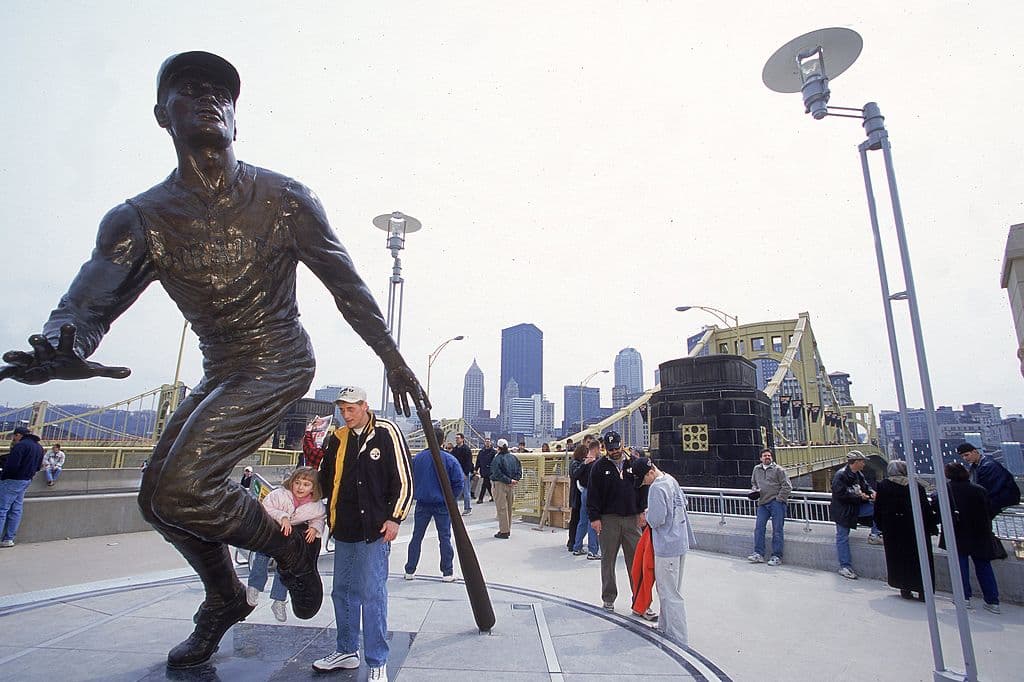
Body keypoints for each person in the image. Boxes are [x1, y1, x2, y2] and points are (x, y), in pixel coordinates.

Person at [0, 52, 426, 669]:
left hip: (279, 360)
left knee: (182, 488)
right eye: (190, 89)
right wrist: (61, 346)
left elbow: (348, 286)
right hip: (223, 367)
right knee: (158, 499)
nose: (209, 99)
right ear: (161, 115)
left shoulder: (284, 198)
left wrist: (394, 359)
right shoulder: (140, 219)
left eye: (222, 94)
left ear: (235, 118)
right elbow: (87, 304)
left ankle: (288, 550)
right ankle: (226, 595)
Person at [313, 387, 413, 680]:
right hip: (344, 526)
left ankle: (377, 660)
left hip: (375, 529)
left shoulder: (386, 432)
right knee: (342, 591)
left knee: (372, 594)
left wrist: (395, 518)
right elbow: (326, 479)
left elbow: (405, 479)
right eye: (342, 410)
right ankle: (346, 650)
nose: (346, 415)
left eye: (351, 409)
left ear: (365, 406)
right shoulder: (338, 437)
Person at [246, 467, 325, 622]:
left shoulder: (315, 505)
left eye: (306, 484)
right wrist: (282, 517)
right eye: (297, 483)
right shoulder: (280, 495)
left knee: (285, 568)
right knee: (261, 556)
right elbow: (266, 506)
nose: (300, 487)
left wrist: (315, 528)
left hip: (287, 538)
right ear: (291, 482)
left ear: (313, 488)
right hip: (271, 531)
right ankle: (254, 586)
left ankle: (279, 599)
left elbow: (319, 518)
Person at [633, 458, 694, 645]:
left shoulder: (657, 488)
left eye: (643, 479)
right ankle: (665, 626)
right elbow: (684, 502)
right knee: (670, 589)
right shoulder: (671, 480)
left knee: (669, 592)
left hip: (666, 545)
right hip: (680, 540)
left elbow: (656, 520)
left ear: (650, 472)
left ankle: (678, 636)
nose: (644, 484)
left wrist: (647, 512)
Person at [587, 430, 645, 612]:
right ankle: (608, 598)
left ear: (622, 444)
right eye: (610, 449)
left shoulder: (633, 463)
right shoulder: (598, 467)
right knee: (608, 560)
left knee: (636, 561)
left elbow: (642, 488)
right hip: (608, 519)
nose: (614, 452)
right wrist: (594, 518)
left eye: (616, 448)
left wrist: (642, 511)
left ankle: (640, 601)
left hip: (631, 518)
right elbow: (593, 495)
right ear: (605, 448)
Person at [940, 462, 1002, 613]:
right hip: (980, 533)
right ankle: (993, 601)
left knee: (960, 567)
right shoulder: (979, 489)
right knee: (984, 566)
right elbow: (990, 509)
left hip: (957, 533)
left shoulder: (946, 490)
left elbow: (938, 509)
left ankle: (964, 598)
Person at [405, 427, 463, 582]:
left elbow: (409, 479)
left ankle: (410, 570)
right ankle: (447, 572)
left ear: (427, 438)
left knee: (417, 537)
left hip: (422, 503)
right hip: (442, 504)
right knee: (444, 538)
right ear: (443, 440)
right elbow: (459, 483)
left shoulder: (417, 458)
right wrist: (450, 498)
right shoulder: (450, 459)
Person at [873, 460, 937, 601]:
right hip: (915, 529)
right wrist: (931, 527)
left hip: (893, 530)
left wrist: (881, 526)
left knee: (899, 559)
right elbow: (925, 509)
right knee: (920, 559)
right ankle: (923, 590)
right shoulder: (915, 486)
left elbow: (878, 508)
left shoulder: (883, 486)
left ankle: (905, 588)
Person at [830, 451, 878, 580]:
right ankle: (845, 566)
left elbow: (865, 486)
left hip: (853, 508)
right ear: (856, 462)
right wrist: (859, 496)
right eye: (862, 461)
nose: (864, 464)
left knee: (877, 508)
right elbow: (841, 494)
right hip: (843, 511)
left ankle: (875, 534)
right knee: (842, 537)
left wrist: (872, 493)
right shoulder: (840, 475)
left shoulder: (858, 474)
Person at [0, 427, 45, 547]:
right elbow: (38, 467)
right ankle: (8, 539)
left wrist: (3, 476)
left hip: (12, 480)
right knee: (16, 509)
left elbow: (12, 466)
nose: (13, 439)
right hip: (26, 480)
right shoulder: (39, 447)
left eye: (14, 436)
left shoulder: (20, 446)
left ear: (18, 435)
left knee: (2, 509)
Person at [747, 448, 792, 566]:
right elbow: (754, 483)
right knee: (759, 528)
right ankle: (758, 554)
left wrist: (779, 499)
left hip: (776, 503)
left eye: (769, 456)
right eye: (764, 456)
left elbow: (787, 486)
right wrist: (755, 490)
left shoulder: (779, 470)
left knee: (777, 530)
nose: (767, 457)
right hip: (762, 503)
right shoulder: (756, 469)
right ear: (760, 458)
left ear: (771, 458)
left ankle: (777, 556)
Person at [957, 443, 1020, 518]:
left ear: (975, 451)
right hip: (999, 497)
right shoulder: (976, 466)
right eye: (962, 456)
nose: (965, 458)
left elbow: (985, 488)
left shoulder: (988, 466)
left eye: (966, 455)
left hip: (1002, 498)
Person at [571, 441, 601, 559]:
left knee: (583, 520)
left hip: (584, 492)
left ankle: (577, 547)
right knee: (593, 520)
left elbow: (576, 475)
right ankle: (593, 550)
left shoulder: (584, 462)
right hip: (594, 493)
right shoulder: (597, 463)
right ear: (596, 448)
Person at [489, 438, 522, 539]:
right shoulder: (514, 458)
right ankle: (508, 529)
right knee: (509, 508)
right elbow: (519, 470)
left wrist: (508, 480)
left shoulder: (497, 458)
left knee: (502, 508)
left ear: (498, 448)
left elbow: (497, 473)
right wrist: (514, 480)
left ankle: (504, 531)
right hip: (511, 485)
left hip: (500, 484)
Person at [566, 443, 587, 552]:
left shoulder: (575, 462)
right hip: (577, 495)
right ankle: (572, 542)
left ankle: (572, 541)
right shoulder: (575, 463)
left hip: (577, 494)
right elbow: (575, 474)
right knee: (575, 520)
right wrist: (584, 465)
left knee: (576, 519)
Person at [450, 433, 473, 516]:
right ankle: (454, 509)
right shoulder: (455, 449)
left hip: (464, 473)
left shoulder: (466, 449)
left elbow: (469, 462)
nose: (456, 440)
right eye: (456, 438)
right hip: (456, 473)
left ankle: (468, 508)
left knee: (466, 492)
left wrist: (465, 473)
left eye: (458, 438)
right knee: (455, 491)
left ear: (462, 439)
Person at [474, 438, 496, 504]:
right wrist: (476, 469)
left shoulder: (493, 452)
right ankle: (493, 496)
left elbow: (495, 462)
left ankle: (480, 498)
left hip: (490, 470)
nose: (487, 443)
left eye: (488, 442)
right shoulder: (481, 452)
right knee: (487, 484)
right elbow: (478, 461)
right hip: (483, 469)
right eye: (486, 442)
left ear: (490, 443)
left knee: (484, 483)